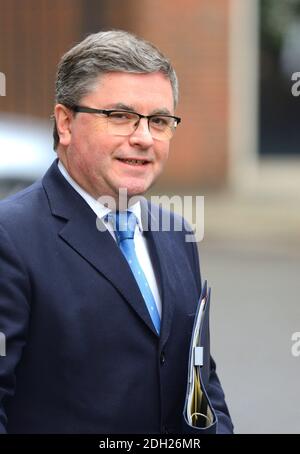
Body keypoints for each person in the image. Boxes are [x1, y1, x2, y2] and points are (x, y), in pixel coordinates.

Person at [0, 30, 233, 434]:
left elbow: (200, 383)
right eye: (120, 116)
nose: (143, 138)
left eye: (159, 121)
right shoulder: (11, 238)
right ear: (65, 122)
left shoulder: (176, 233)